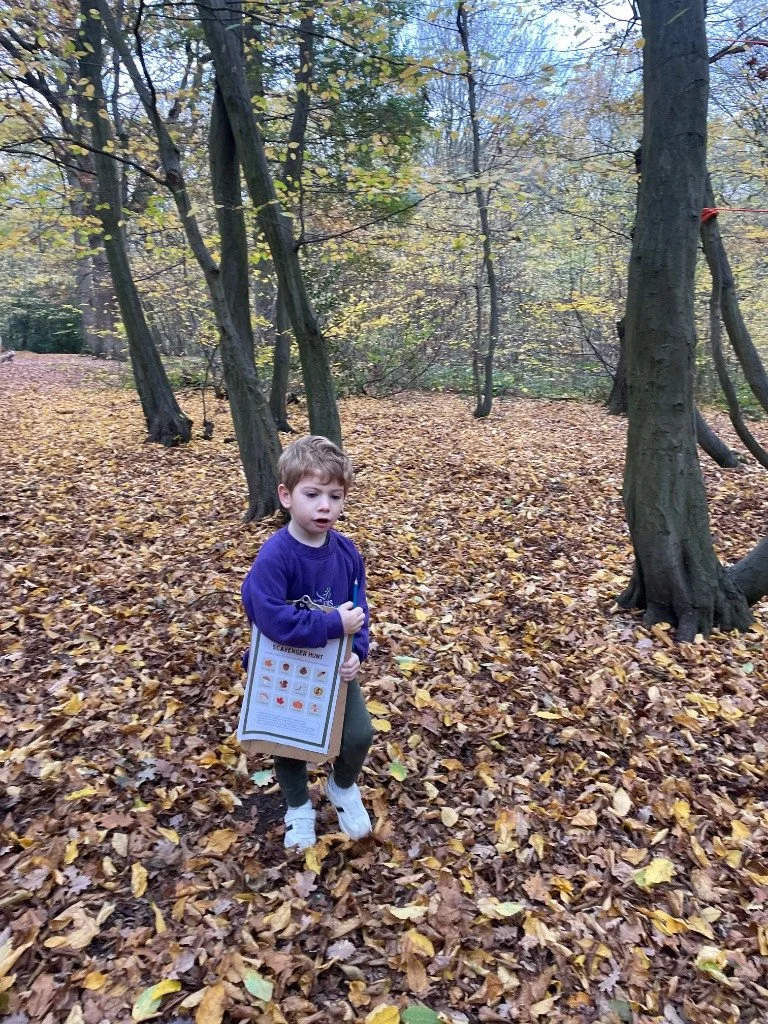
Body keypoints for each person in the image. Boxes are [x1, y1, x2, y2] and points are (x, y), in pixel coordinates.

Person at [241, 436, 374, 851]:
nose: (325, 506)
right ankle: (298, 807)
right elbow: (270, 617)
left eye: (335, 496)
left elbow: (359, 611)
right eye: (312, 494)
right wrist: (331, 623)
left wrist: (356, 650)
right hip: (281, 669)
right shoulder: (276, 556)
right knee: (289, 744)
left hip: (332, 669)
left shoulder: (347, 553)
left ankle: (342, 786)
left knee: (358, 735)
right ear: (286, 496)